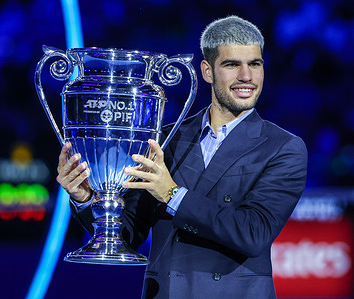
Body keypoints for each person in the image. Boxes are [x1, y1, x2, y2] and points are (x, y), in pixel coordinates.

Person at [57, 15, 307, 298]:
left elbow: (253, 234)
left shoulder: (282, 147)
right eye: (232, 64)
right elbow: (128, 234)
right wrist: (87, 198)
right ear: (207, 71)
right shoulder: (165, 140)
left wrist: (173, 194)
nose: (246, 77)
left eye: (254, 64)